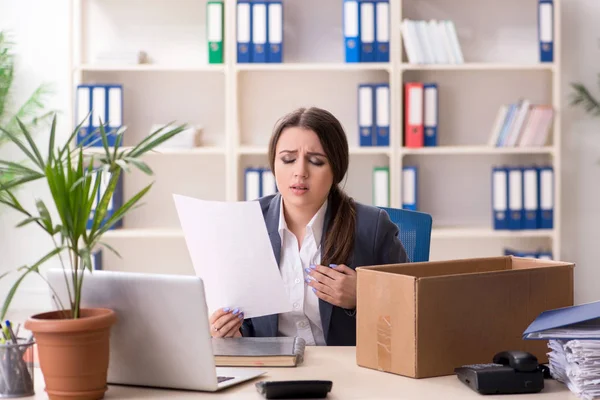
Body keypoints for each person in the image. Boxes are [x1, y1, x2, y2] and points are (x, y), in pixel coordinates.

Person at [209, 107, 408, 346]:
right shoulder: (247, 224)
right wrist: (232, 333)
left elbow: (412, 312)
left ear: (336, 168)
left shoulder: (372, 227)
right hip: (273, 371)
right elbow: (249, 326)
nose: (300, 172)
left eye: (315, 161)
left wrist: (364, 296)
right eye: (288, 159)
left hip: (349, 373)